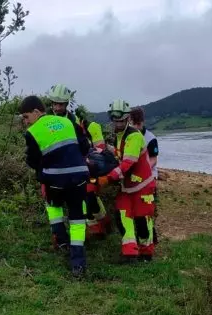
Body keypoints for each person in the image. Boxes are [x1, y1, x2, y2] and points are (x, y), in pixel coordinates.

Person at [19, 95, 91, 277]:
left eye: (26, 117)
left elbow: (33, 161)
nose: (26, 122)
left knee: (54, 207)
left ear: (36, 112)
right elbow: (84, 146)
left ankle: (61, 241)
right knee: (77, 220)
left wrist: (45, 171)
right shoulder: (68, 122)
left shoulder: (33, 132)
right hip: (78, 179)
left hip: (55, 182)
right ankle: (78, 264)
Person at [97, 99, 156, 262]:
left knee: (142, 220)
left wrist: (107, 178)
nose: (119, 123)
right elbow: (119, 154)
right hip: (127, 188)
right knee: (123, 216)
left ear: (127, 118)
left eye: (121, 121)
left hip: (143, 187)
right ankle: (130, 252)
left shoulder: (134, 136)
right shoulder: (120, 135)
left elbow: (127, 163)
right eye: (116, 121)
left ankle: (146, 253)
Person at [74, 105, 110, 238]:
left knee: (89, 195)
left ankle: (100, 224)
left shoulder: (93, 127)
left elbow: (100, 151)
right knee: (86, 196)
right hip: (79, 167)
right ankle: (98, 225)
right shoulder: (70, 128)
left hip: (93, 167)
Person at [129, 107, 160, 245]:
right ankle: (140, 234)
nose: (136, 127)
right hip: (133, 179)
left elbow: (154, 159)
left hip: (149, 177)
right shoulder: (128, 136)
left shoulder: (151, 138)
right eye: (133, 124)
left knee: (148, 208)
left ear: (142, 122)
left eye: (138, 124)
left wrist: (143, 170)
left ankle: (151, 233)